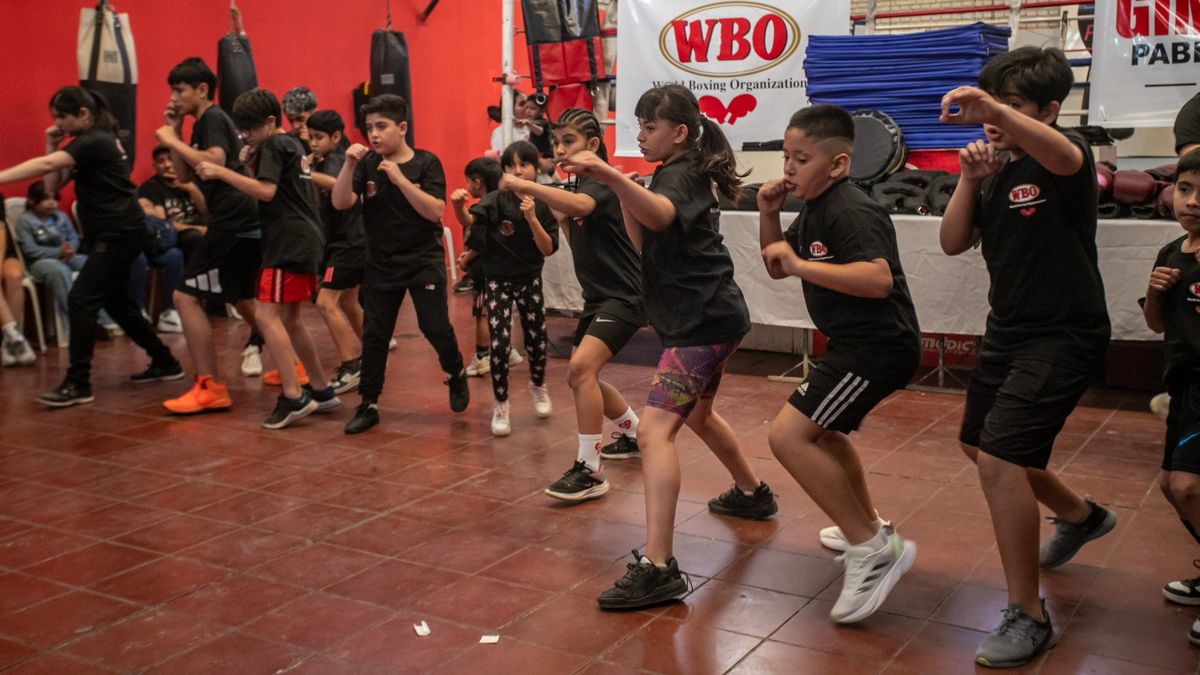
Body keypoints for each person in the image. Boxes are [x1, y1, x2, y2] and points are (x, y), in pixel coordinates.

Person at [560, 84, 778, 609]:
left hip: (702, 323)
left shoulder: (682, 173)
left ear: (679, 132)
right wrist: (625, 191)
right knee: (700, 415)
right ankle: (753, 493)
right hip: (711, 318)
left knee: (655, 431)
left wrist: (611, 177)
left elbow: (659, 217)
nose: (640, 134)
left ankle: (659, 566)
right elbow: (645, 239)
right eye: (637, 125)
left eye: (649, 126)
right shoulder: (670, 173)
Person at [939, 47, 1117, 667]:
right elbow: (953, 242)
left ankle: (1028, 614)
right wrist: (969, 179)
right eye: (993, 106)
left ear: (1048, 110)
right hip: (1007, 331)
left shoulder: (1063, 157)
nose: (994, 119)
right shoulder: (999, 167)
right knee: (977, 445)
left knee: (1000, 459)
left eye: (1011, 107)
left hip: (1064, 334)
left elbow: (1064, 154)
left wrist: (992, 109)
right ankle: (1081, 514)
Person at [759, 104, 920, 623]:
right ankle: (869, 523)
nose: (789, 169)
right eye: (786, 157)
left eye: (801, 159)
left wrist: (803, 263)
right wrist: (767, 215)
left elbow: (877, 280)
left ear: (838, 163)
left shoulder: (850, 208)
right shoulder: (813, 209)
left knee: (787, 436)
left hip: (877, 347)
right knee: (825, 434)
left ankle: (870, 547)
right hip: (855, 344)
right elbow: (778, 266)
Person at [494, 108, 645, 500]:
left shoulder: (601, 185)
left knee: (580, 370)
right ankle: (634, 432)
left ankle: (590, 470)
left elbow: (579, 207)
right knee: (583, 376)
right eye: (557, 143)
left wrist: (525, 185)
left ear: (594, 146)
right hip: (598, 299)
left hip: (624, 298)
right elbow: (569, 216)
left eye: (569, 142)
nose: (559, 151)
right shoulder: (581, 186)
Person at [0, 86, 181, 406]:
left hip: (119, 234)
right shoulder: (90, 141)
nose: (58, 123)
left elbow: (44, 169)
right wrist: (50, 143)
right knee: (117, 304)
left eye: (62, 117)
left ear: (83, 114)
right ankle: (165, 361)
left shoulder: (95, 140)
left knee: (82, 299)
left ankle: (78, 382)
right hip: (114, 233)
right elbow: (52, 185)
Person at [195, 88, 337, 429]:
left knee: (265, 314)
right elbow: (280, 186)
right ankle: (320, 388)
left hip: (286, 241)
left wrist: (223, 172)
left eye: (249, 129)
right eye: (240, 131)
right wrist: (247, 161)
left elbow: (267, 191)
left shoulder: (274, 144)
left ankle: (293, 395)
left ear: (270, 122)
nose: (245, 136)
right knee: (291, 319)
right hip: (305, 238)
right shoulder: (290, 144)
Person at [332, 94, 470, 434]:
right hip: (380, 262)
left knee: (433, 325)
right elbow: (341, 202)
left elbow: (435, 210)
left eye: (382, 127)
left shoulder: (426, 162)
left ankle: (456, 373)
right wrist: (348, 165)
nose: (374, 135)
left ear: (402, 127)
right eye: (369, 129)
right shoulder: (365, 165)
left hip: (422, 260)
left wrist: (400, 180)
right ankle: (368, 403)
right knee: (375, 334)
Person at [156, 57, 263, 415]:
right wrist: (174, 132)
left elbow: (213, 161)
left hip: (232, 219)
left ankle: (209, 386)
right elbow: (186, 174)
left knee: (184, 297)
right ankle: (296, 367)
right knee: (244, 298)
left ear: (202, 90)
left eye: (179, 89)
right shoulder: (200, 123)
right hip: (238, 217)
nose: (174, 96)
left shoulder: (213, 118)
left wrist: (170, 136)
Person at [459, 140, 558, 436]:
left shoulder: (542, 203)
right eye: (511, 166)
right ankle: (501, 403)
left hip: (529, 278)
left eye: (524, 164)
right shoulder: (496, 199)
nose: (518, 171)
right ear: (503, 172)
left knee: (537, 339)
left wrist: (531, 218)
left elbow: (548, 248)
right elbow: (470, 220)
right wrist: (456, 206)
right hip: (497, 279)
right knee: (499, 345)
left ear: (535, 169)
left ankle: (538, 386)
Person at [1144, 148, 1200, 646]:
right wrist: (1156, 292)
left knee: (1187, 486)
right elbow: (1157, 325)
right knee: (1170, 486)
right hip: (1181, 385)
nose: (1193, 202)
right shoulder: (1171, 253)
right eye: (1185, 189)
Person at [307, 109, 366, 394]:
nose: (313, 143)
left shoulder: (336, 160)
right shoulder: (331, 159)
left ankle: (351, 364)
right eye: (310, 138)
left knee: (325, 302)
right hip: (349, 241)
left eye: (318, 137)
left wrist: (306, 172)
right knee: (349, 303)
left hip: (348, 243)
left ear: (335, 137)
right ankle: (373, 357)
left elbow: (332, 185)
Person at [450, 157, 524, 376]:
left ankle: (482, 356)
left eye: (467, 182)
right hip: (499, 270)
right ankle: (507, 350)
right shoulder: (502, 205)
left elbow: (480, 240)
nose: (466, 187)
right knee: (498, 312)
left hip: (485, 272)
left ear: (477, 183)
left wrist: (466, 259)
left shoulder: (482, 209)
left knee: (482, 313)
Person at [15, 182, 87, 333]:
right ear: (32, 201)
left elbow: (74, 237)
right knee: (59, 270)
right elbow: (30, 250)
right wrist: (58, 252)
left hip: (68, 257)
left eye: (54, 198)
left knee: (94, 264)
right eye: (46, 199)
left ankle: (105, 316)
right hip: (39, 263)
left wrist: (70, 249)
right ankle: (77, 321)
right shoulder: (25, 221)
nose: (52, 202)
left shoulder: (61, 216)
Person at [138, 143, 207, 263]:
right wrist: (198, 228)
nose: (167, 165)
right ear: (154, 166)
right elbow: (162, 223)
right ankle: (191, 280)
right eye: (161, 161)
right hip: (174, 235)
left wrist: (192, 189)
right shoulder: (151, 187)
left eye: (171, 159)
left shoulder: (193, 180)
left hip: (200, 228)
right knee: (193, 237)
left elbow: (206, 211)